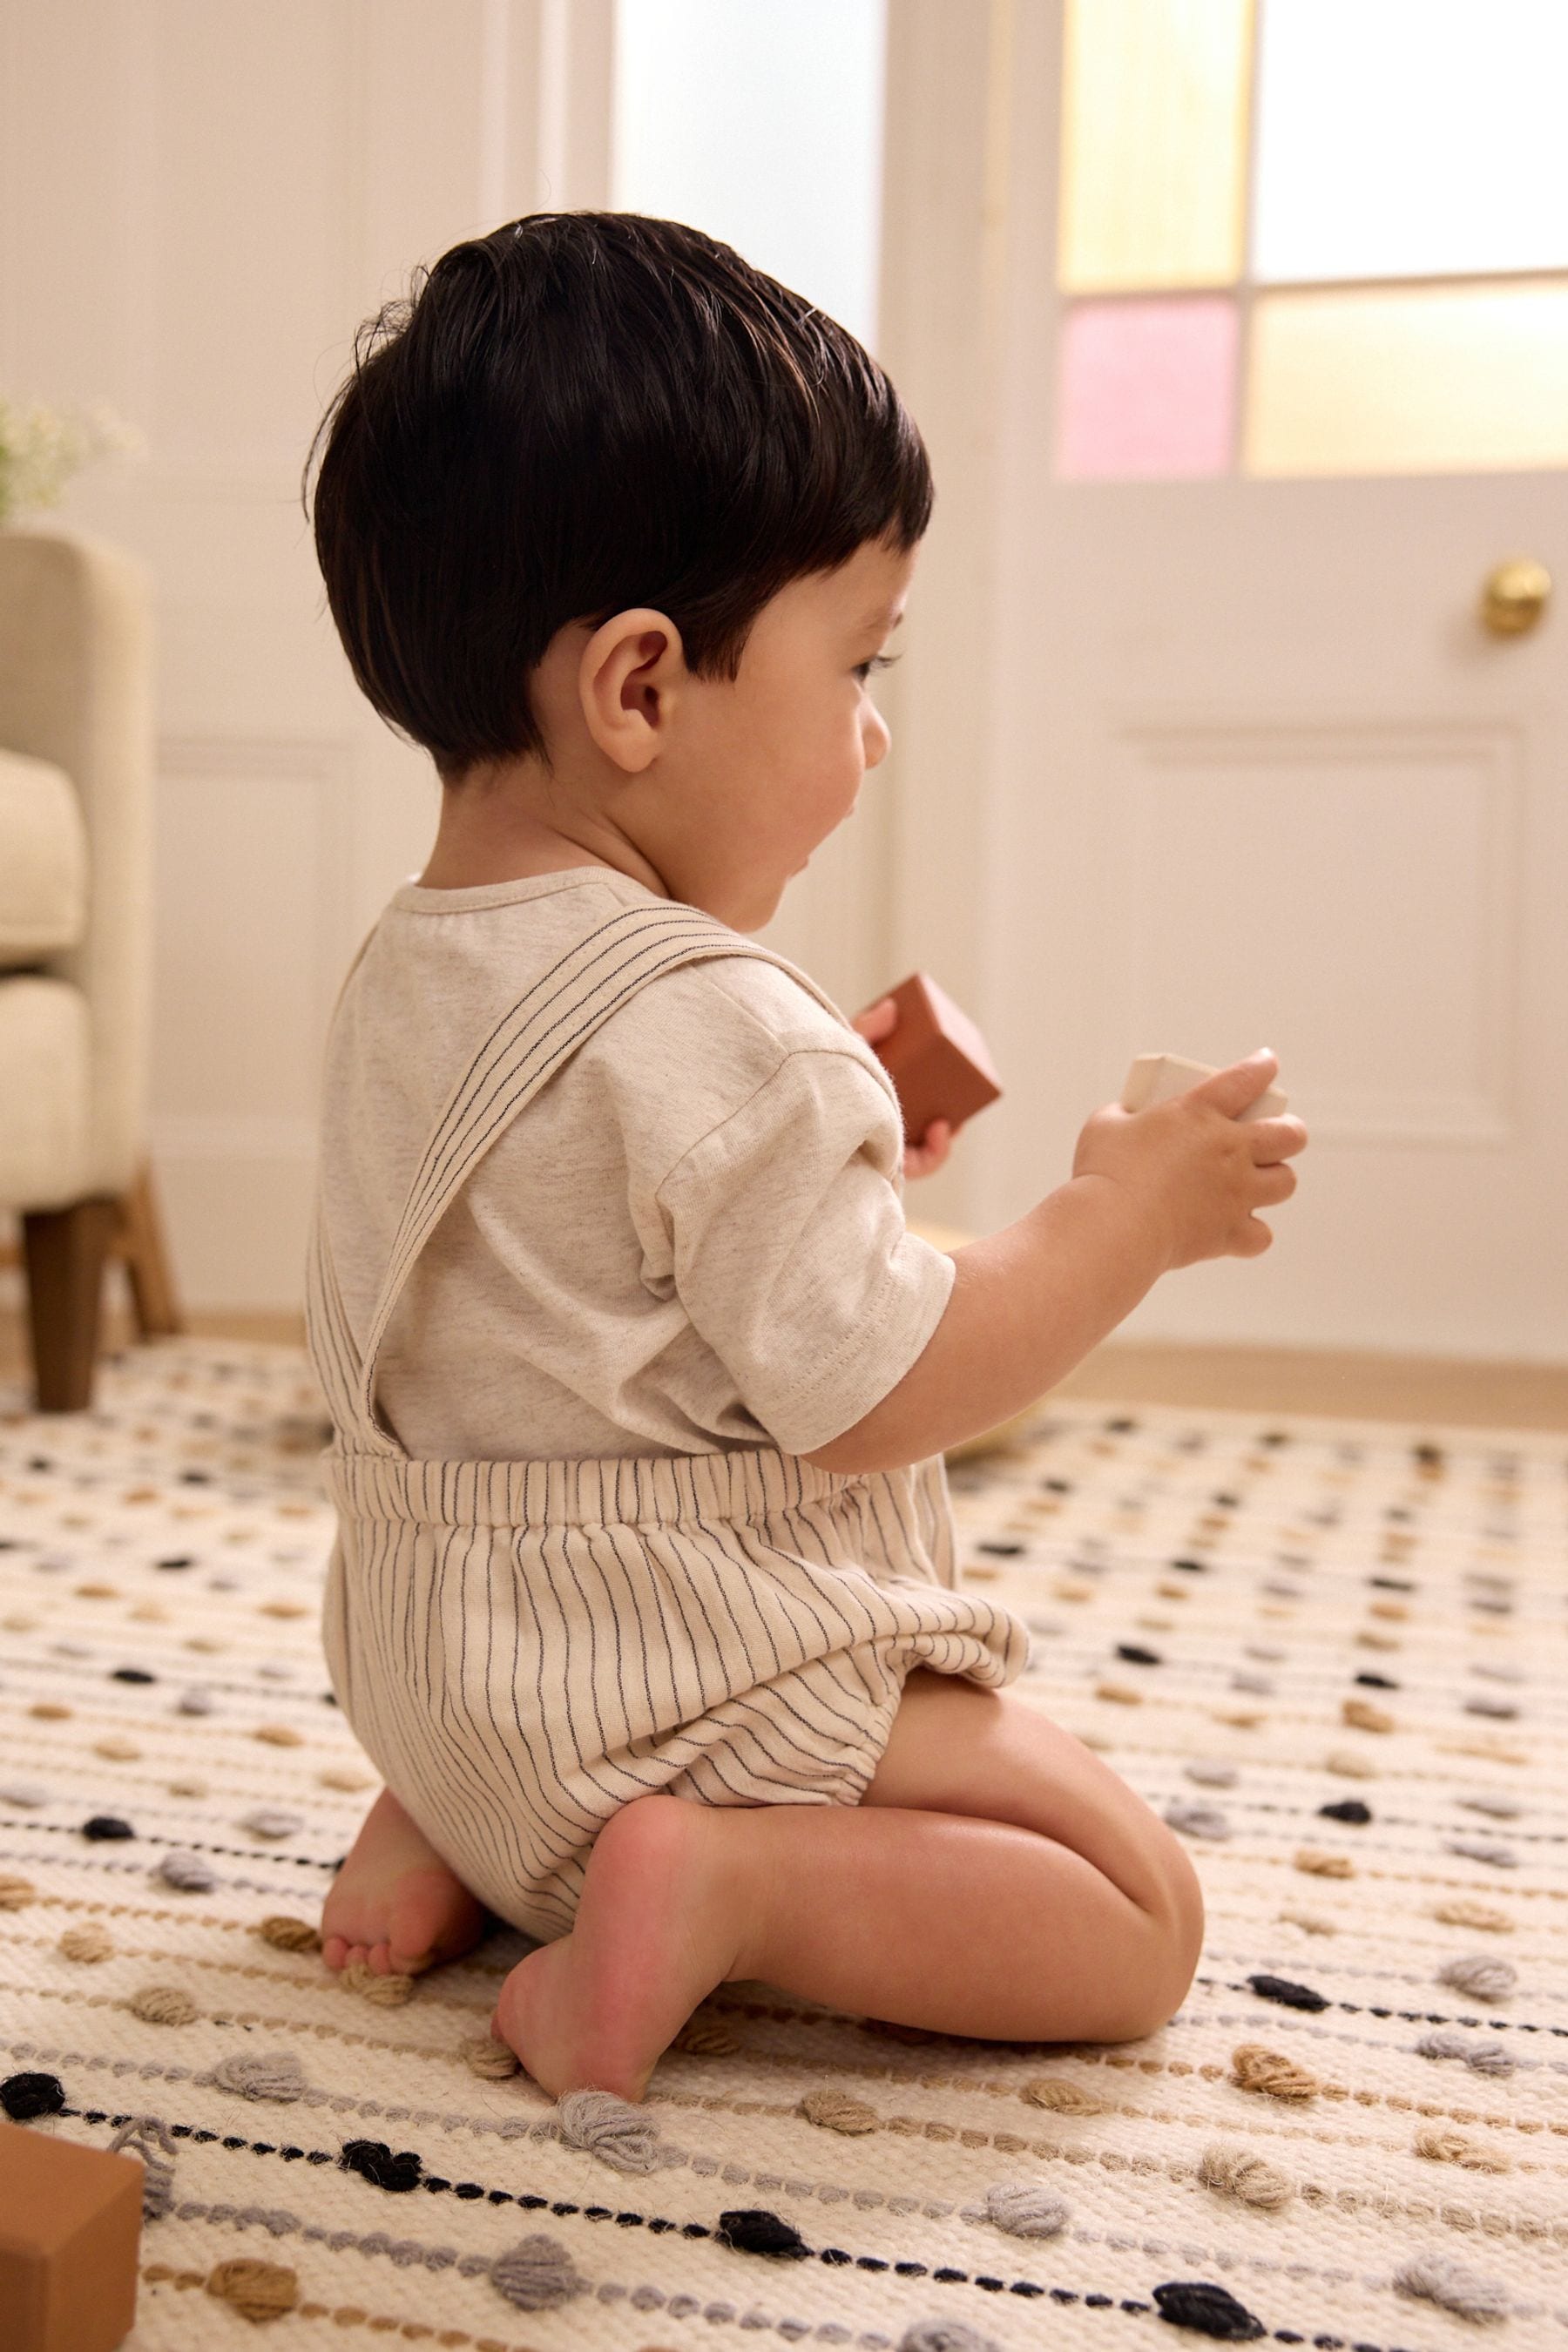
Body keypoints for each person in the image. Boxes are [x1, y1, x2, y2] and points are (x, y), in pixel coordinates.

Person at [300, 212, 1308, 2105]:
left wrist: (822, 1145)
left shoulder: (401, 973)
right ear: (642, 689)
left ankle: (451, 1828)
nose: (874, 738)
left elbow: (560, 1279)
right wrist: (1117, 1222)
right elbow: (882, 1394)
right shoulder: (718, 1022)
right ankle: (715, 1890)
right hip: (659, 1690)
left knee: (529, 1602)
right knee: (1133, 1912)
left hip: (443, 1680)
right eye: (859, 666)